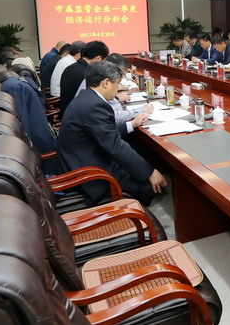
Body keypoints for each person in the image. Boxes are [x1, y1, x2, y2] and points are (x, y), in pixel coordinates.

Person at [57, 60, 166, 207]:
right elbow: (115, 146)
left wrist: (131, 125)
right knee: (148, 187)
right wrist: (150, 172)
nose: (118, 89)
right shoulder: (95, 105)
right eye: (118, 84)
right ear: (106, 83)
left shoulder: (87, 96)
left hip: (83, 157)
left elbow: (105, 131)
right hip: (90, 171)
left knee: (138, 152)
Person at [104, 53, 152, 137]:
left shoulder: (100, 81)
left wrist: (116, 97)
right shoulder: (102, 86)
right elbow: (117, 117)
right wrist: (142, 110)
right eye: (122, 75)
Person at [59, 40, 108, 116]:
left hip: (67, 112)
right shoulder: (86, 73)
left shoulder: (71, 67)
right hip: (76, 116)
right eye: (104, 60)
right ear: (98, 58)